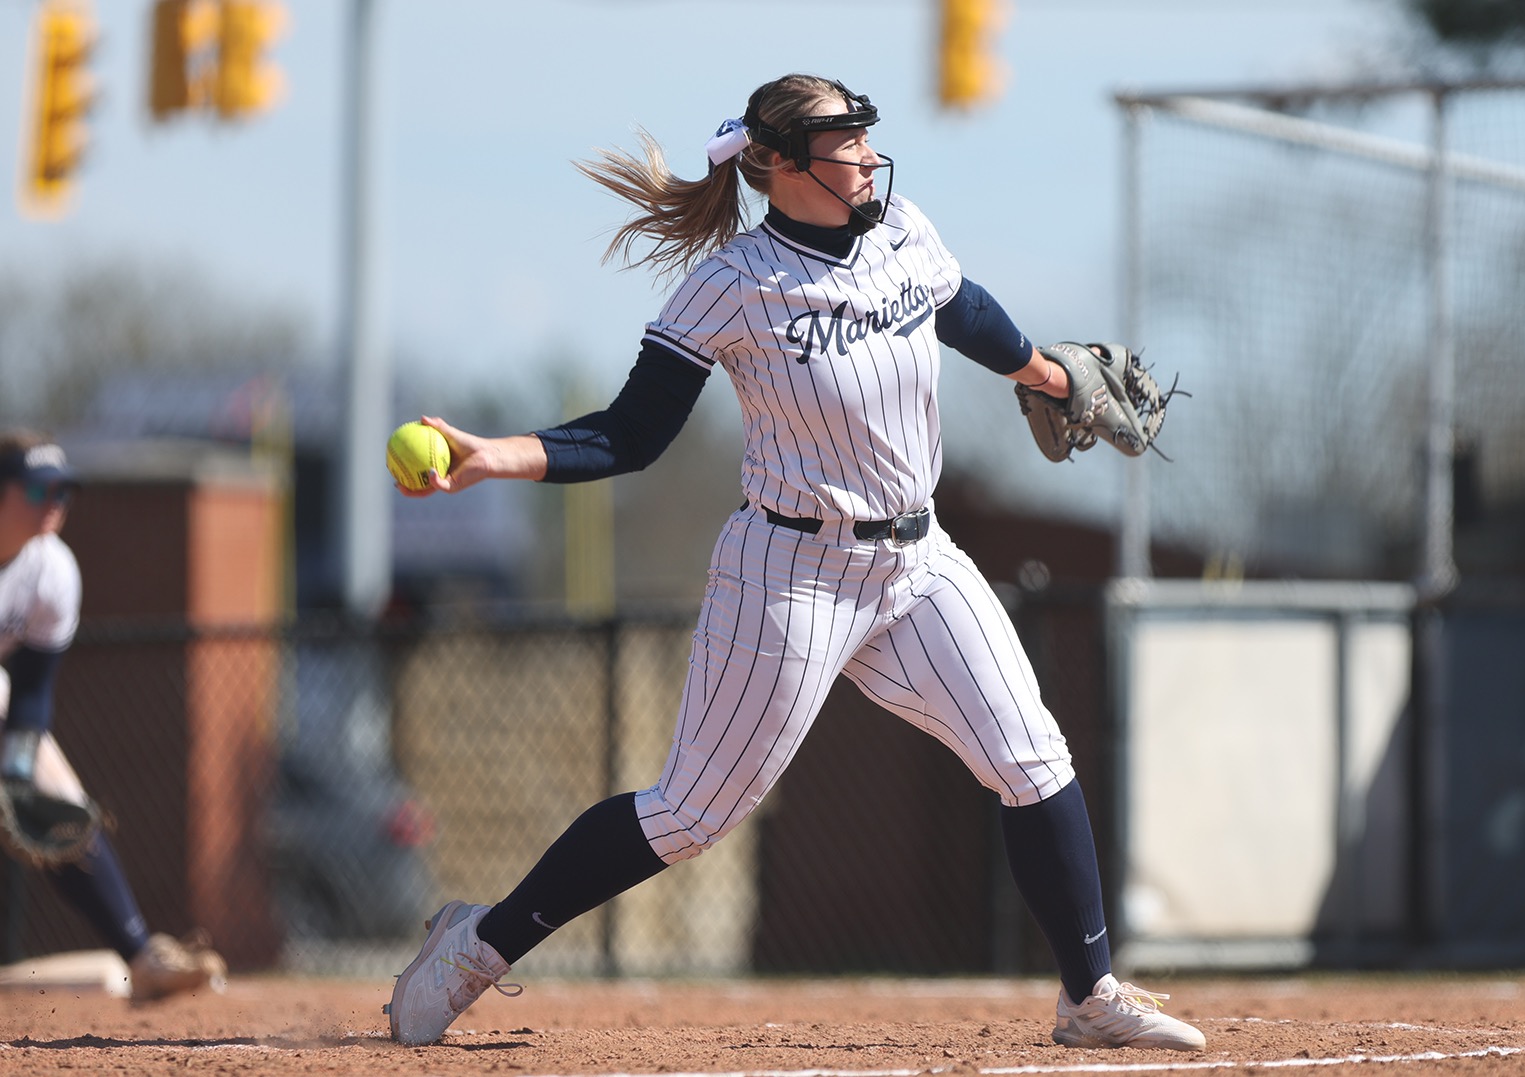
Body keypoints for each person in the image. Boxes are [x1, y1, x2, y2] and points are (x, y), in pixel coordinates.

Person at [383, 74, 1206, 1052]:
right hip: (790, 576)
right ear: (777, 163)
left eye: (865, 133)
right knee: (691, 814)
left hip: (918, 564)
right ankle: (473, 946)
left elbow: (960, 309)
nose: (864, 152)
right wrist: (492, 457)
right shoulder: (733, 284)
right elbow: (631, 433)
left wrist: (1048, 373)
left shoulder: (901, 229)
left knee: (1032, 757)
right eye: (842, 138)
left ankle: (1090, 995)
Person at [0, 431, 228, 1001]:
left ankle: (140, 955)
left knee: (59, 801)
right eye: (37, 487)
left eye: (63, 490)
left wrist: (16, 768)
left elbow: (31, 694)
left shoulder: (51, 571)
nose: (54, 501)